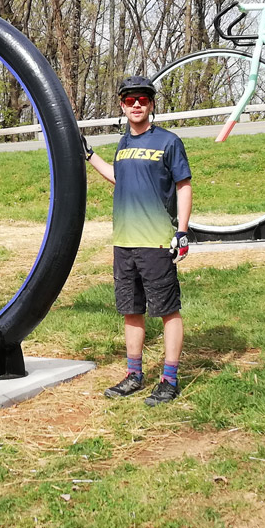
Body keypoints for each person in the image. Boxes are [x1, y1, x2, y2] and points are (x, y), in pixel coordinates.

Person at [83, 75, 192, 405]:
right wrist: (88, 156)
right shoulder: (123, 145)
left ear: (152, 104)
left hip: (158, 241)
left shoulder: (168, 142)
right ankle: (134, 374)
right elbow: (121, 178)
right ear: (121, 105)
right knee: (131, 311)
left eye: (142, 99)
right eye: (130, 100)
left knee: (167, 311)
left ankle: (169, 379)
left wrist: (183, 231)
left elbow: (184, 185)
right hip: (124, 242)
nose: (136, 105)